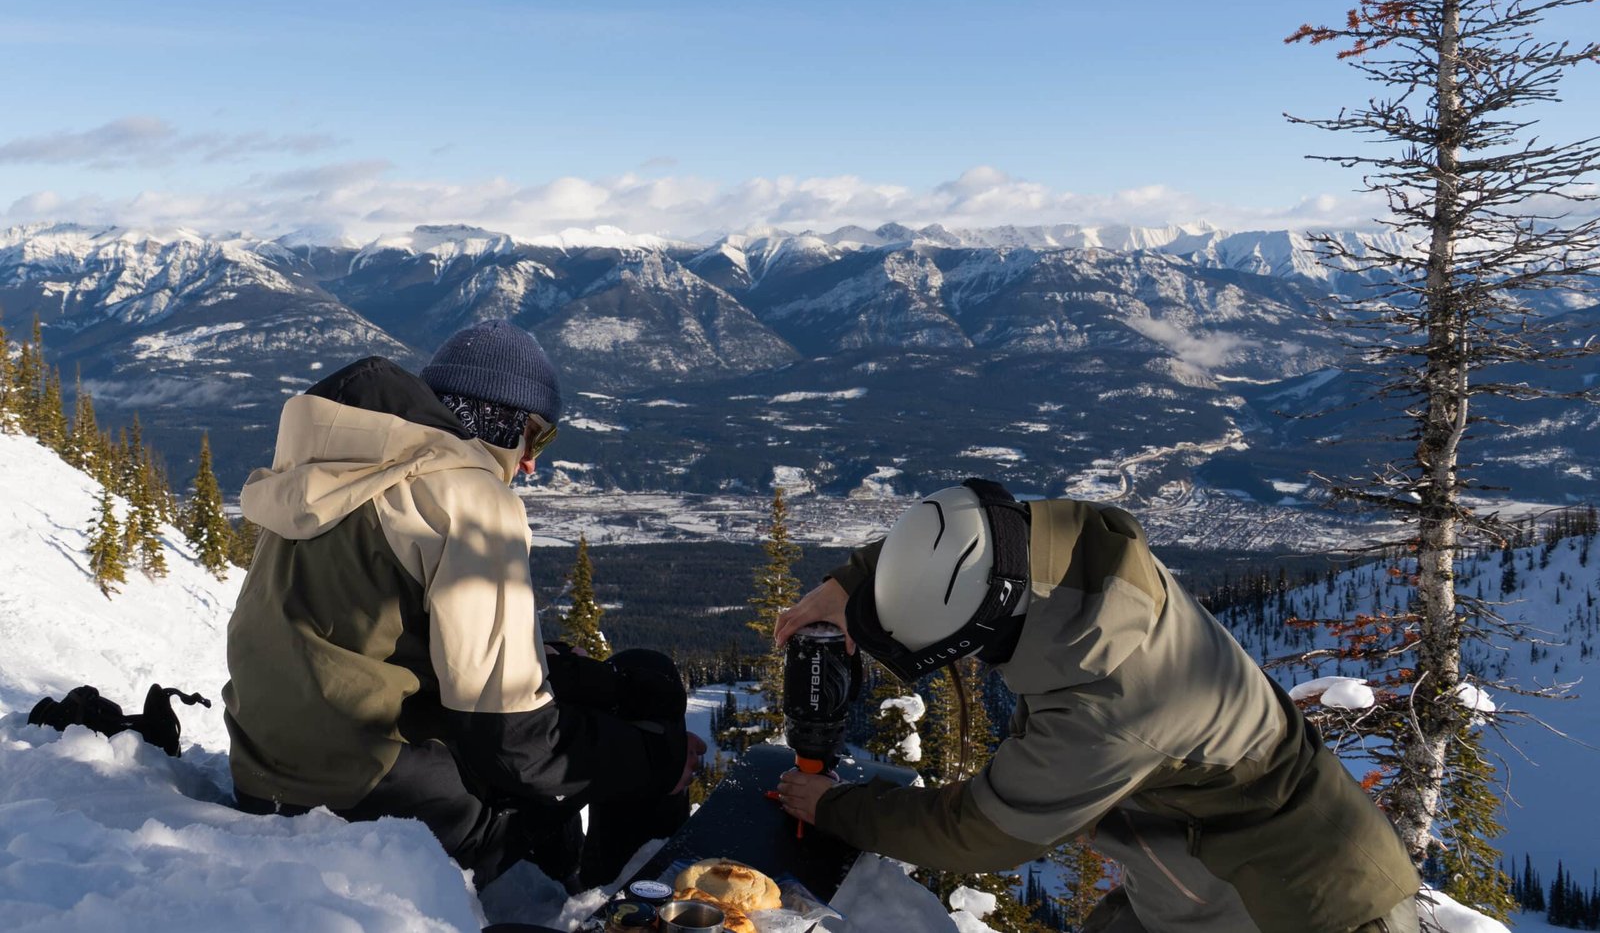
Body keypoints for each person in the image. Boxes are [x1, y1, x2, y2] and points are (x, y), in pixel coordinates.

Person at [773, 479, 1421, 933]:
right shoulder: (1080, 547)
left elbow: (977, 830)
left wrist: (832, 806)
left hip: (1302, 909)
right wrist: (854, 584)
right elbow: (965, 537)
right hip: (1213, 871)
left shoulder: (1110, 708)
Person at [224, 319, 704, 890]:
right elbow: (515, 742)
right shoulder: (470, 498)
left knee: (611, 686)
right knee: (641, 696)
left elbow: (370, 636)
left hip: (264, 774)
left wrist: (561, 669)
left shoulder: (329, 470)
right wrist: (659, 759)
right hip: (369, 800)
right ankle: (618, 904)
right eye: (534, 436)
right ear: (497, 419)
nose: (531, 462)